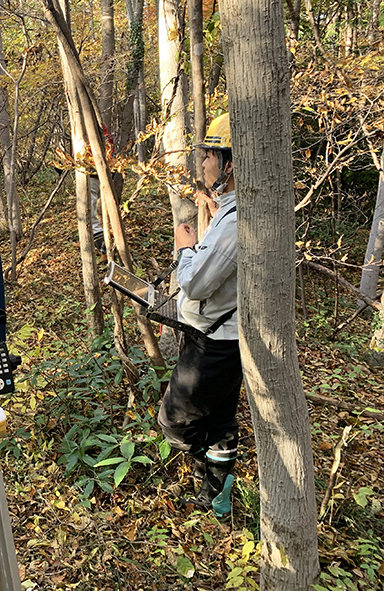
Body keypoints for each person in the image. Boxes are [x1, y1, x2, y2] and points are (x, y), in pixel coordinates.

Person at [157, 113, 241, 516]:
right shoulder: (233, 210)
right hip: (226, 338)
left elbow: (194, 285)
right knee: (223, 422)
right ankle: (217, 499)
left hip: (213, 343)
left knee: (175, 420)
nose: (203, 163)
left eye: (210, 155)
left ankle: (208, 470)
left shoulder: (236, 222)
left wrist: (184, 247)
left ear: (229, 163)